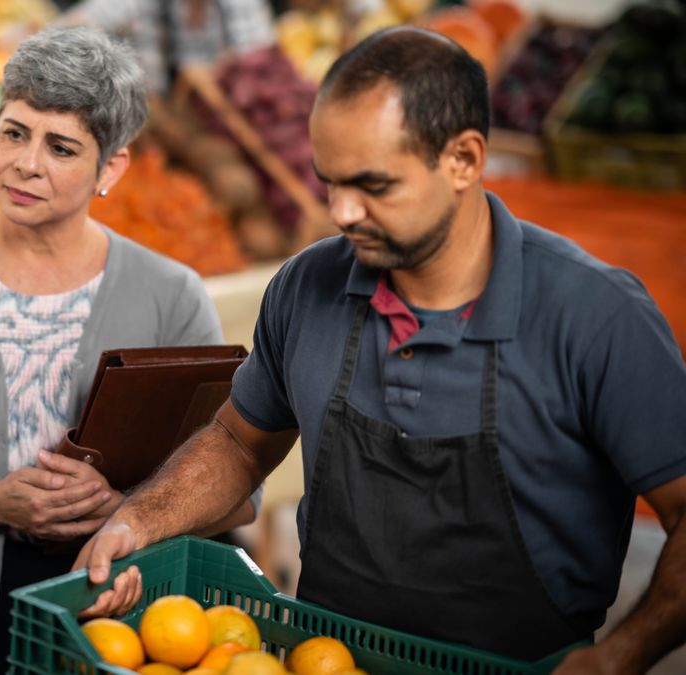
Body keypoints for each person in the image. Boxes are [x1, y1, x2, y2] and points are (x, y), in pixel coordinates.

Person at [75, 26, 686, 672]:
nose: (340, 211)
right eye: (329, 182)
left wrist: (621, 655)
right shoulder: (307, 285)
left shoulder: (594, 316)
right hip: (325, 659)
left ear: (465, 160)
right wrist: (138, 518)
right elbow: (236, 443)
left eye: (373, 186)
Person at [0, 27, 260, 675]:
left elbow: (235, 494)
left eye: (61, 147)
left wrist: (126, 509)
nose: (26, 163)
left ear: (110, 167)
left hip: (127, 633)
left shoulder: (172, 296)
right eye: (14, 132)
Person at [57, 0, 276, 95]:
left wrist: (218, 73)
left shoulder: (241, 4)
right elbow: (94, 15)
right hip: (158, 103)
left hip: (220, 108)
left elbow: (260, 58)